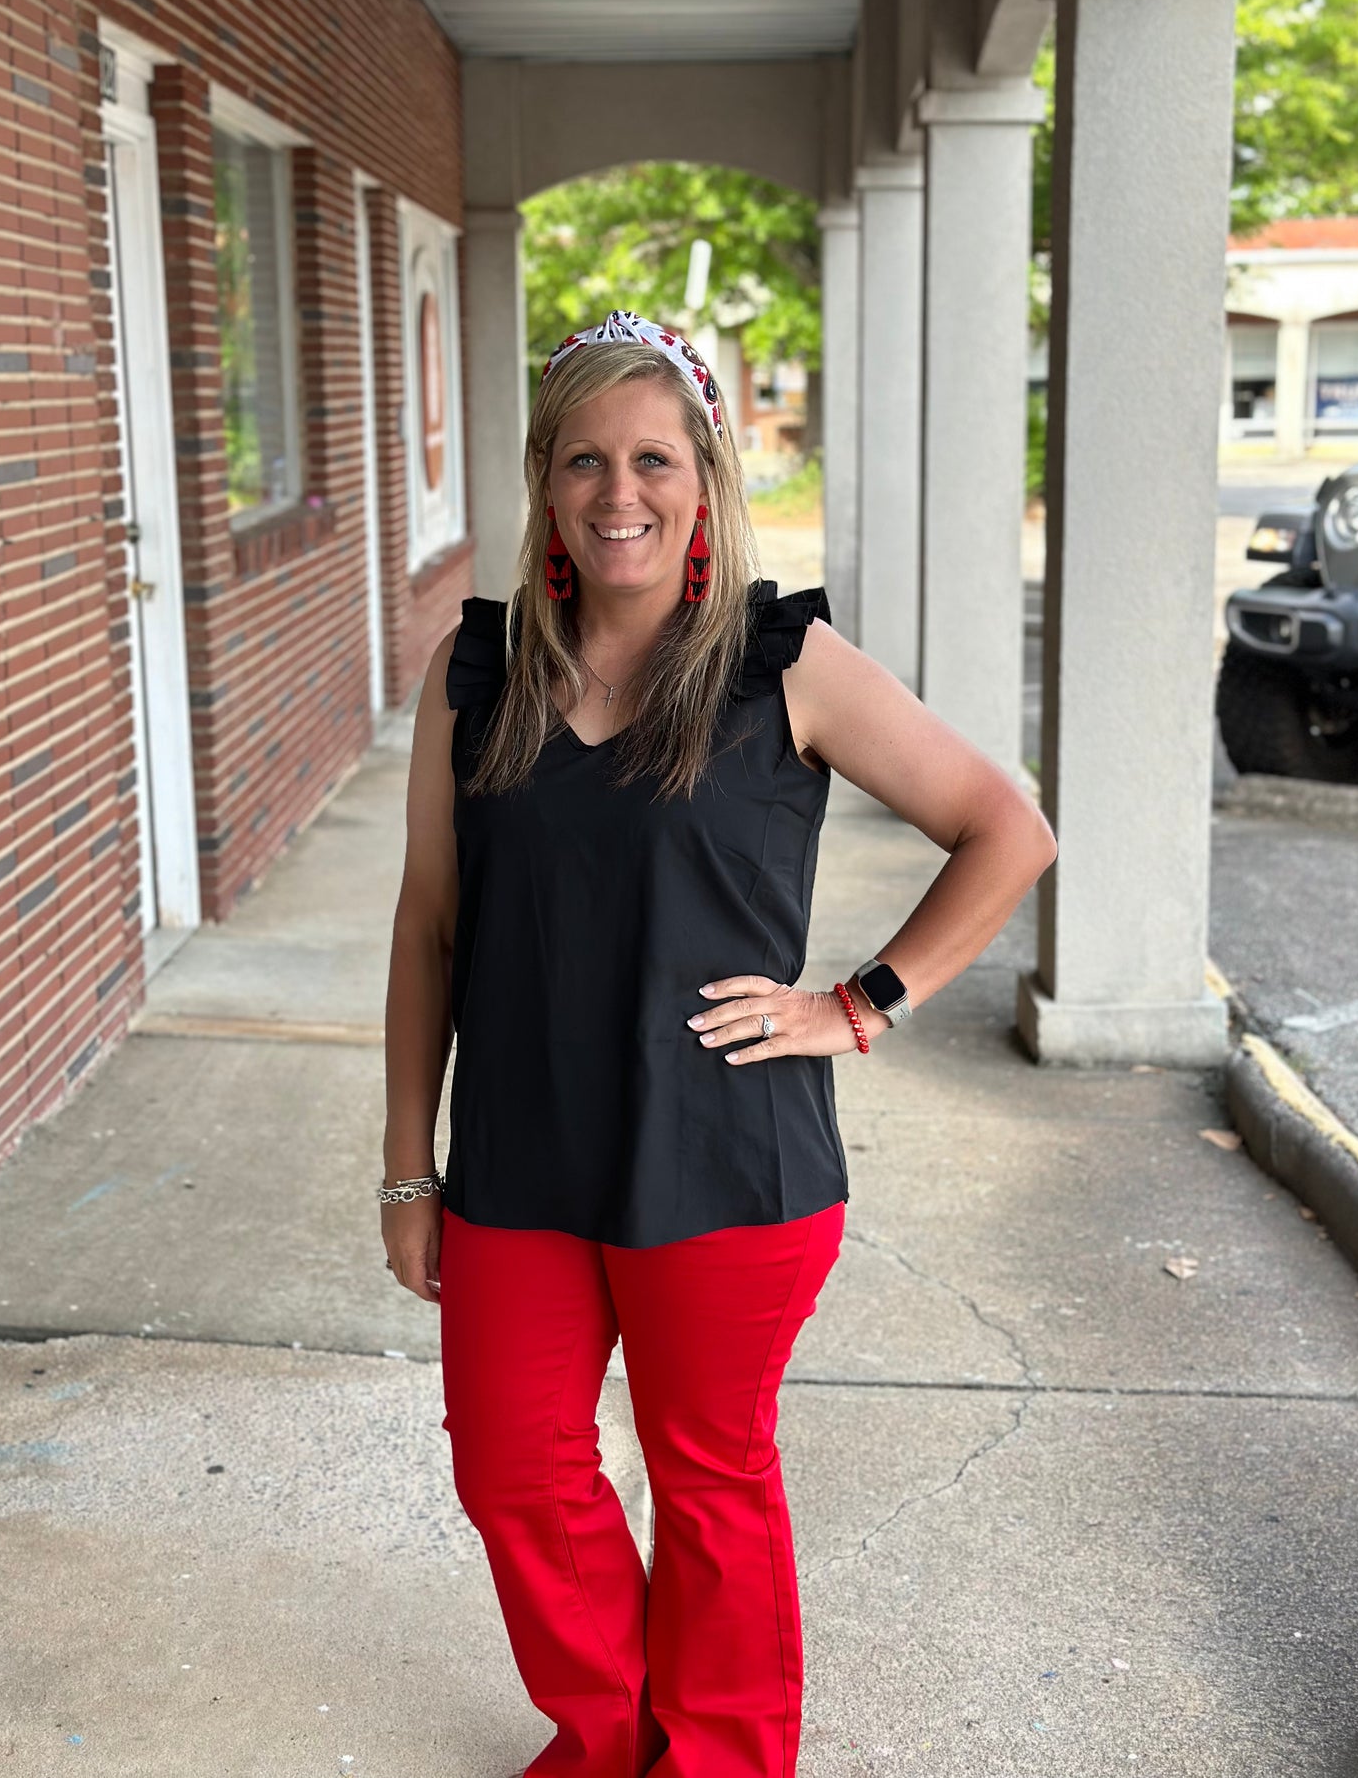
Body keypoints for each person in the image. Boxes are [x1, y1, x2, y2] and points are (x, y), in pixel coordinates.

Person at [380, 308, 1057, 1777]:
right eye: (583, 462)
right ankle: (610, 1737)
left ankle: (722, 1761)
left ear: (703, 476)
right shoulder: (476, 671)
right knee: (514, 1474)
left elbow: (1006, 830)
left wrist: (857, 1004)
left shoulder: (778, 663)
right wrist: (402, 1166)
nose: (618, 493)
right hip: (516, 1158)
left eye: (650, 458)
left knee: (709, 1483)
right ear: (543, 485)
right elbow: (430, 923)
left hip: (727, 1157)